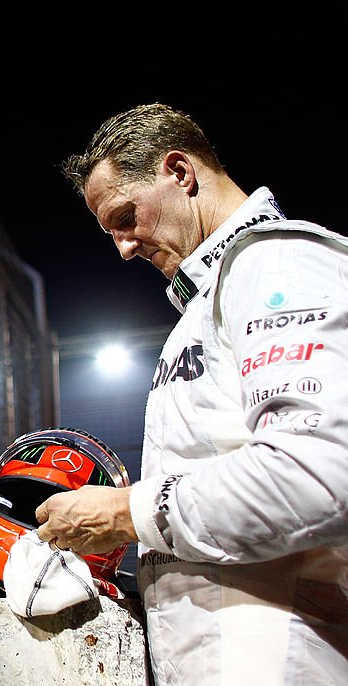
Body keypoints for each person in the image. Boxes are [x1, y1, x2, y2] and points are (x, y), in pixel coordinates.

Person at [34, 103, 348, 685]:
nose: (123, 247)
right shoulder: (211, 300)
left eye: (125, 217)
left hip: (279, 659)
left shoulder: (277, 263)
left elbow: (321, 472)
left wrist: (127, 513)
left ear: (179, 171)